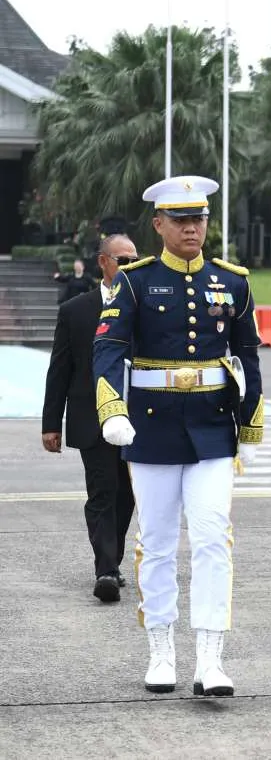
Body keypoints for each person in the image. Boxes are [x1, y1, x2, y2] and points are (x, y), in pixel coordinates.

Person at [93, 175, 263, 696]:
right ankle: (161, 651)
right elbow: (108, 349)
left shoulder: (231, 281)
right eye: (182, 219)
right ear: (159, 224)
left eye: (200, 219)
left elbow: (248, 353)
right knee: (159, 543)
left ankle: (210, 660)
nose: (192, 228)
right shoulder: (135, 281)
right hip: (152, 425)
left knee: (214, 538)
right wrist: (111, 409)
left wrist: (249, 422)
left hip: (212, 427)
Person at [41, 234, 139, 602]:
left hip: (136, 419)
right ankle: (106, 570)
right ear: (103, 262)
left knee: (127, 495)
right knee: (102, 491)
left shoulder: (146, 306)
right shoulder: (76, 310)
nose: (129, 267)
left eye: (134, 260)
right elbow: (60, 369)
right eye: (122, 260)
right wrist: (51, 423)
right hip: (91, 416)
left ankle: (112, 556)